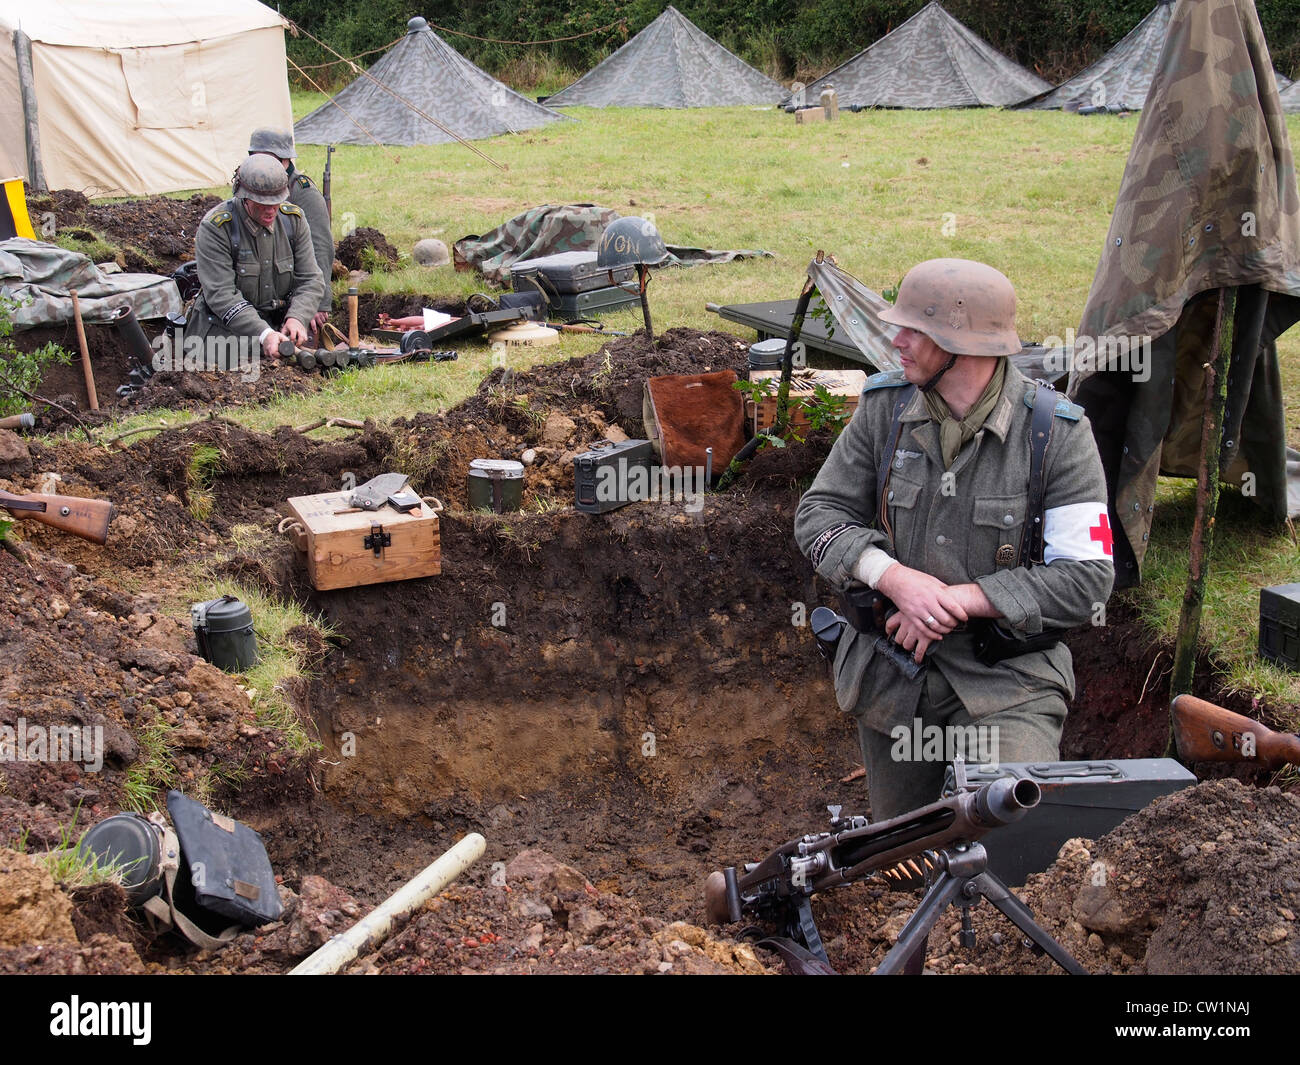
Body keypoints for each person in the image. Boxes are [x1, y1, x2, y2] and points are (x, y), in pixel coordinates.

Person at [794, 258, 1114, 821]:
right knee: (900, 855)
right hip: (896, 676)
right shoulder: (884, 409)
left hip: (1009, 683)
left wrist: (957, 601)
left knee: (1008, 838)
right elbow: (818, 515)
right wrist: (895, 579)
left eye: (915, 330)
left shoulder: (1058, 435)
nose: (897, 341)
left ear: (962, 345)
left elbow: (1088, 580)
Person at [188, 153, 325, 359]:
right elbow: (222, 295)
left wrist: (297, 317)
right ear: (243, 197)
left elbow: (311, 279)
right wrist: (265, 334)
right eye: (262, 203)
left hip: (277, 327)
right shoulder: (216, 228)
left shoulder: (293, 220)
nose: (271, 210)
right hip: (225, 334)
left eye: (276, 201)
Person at [246, 128, 334, 336]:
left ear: (285, 160)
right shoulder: (249, 182)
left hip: (293, 289)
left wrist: (317, 304)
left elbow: (321, 247)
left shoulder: (302, 192)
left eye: (270, 159)